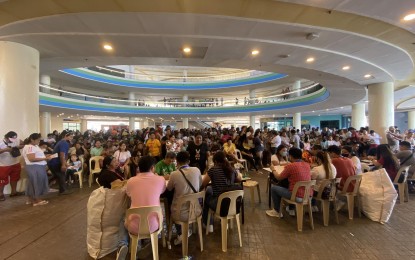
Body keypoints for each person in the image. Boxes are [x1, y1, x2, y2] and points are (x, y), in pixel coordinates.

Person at [118, 156, 166, 259]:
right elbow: (162, 191)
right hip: (154, 225)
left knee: (123, 217)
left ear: (138, 168)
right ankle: (148, 241)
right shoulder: (160, 179)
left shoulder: (131, 181)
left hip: (134, 227)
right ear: (153, 167)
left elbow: (129, 194)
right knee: (158, 212)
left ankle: (128, 245)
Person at [166, 151, 202, 245]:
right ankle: (188, 230)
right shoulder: (197, 170)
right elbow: (200, 184)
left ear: (177, 162)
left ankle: (180, 233)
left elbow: (169, 188)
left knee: (172, 203)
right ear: (189, 161)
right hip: (196, 210)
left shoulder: (174, 174)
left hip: (180, 214)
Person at [266, 148, 311, 218]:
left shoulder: (291, 166)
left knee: (274, 189)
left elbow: (278, 177)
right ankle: (290, 208)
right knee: (289, 185)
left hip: (297, 196)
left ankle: (277, 211)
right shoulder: (307, 165)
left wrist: (273, 169)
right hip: (308, 195)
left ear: (290, 156)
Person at [202, 151, 242, 228]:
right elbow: (239, 179)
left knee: (206, 196)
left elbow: (203, 184)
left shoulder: (213, 170)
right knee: (211, 190)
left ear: (215, 161)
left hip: (219, 205)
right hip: (233, 205)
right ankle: (225, 223)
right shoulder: (231, 169)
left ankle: (208, 224)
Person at [22, 133, 52, 206]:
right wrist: (45, 158)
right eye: (38, 140)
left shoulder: (34, 146)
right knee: (36, 182)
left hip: (37, 166)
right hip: (34, 166)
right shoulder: (29, 147)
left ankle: (30, 199)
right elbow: (31, 159)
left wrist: (45, 156)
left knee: (32, 183)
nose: (39, 141)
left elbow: (37, 155)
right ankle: (36, 200)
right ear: (32, 139)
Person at [0, 131, 24, 201]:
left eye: (15, 138)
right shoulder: (1, 142)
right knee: (2, 180)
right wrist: (5, 150)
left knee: (15, 178)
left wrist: (18, 146)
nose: (14, 140)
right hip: (4, 165)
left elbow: (23, 144)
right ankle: (1, 194)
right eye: (12, 139)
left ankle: (14, 192)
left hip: (15, 163)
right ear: (7, 137)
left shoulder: (16, 140)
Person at [48, 130, 74, 195]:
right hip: (55, 162)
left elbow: (65, 155)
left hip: (53, 162)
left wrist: (65, 163)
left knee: (57, 175)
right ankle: (63, 191)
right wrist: (63, 165)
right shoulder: (64, 143)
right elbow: (62, 154)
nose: (72, 138)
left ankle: (43, 185)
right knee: (61, 175)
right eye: (70, 137)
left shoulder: (61, 142)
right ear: (66, 136)